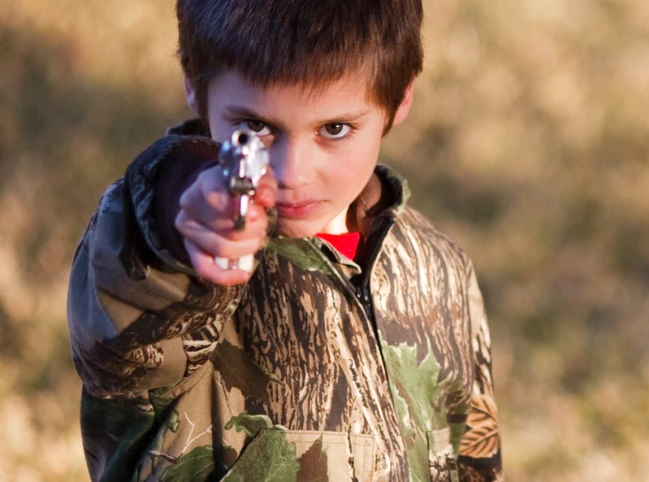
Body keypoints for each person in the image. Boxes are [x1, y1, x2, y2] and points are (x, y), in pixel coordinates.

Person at [66, 0, 502, 480]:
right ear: (193, 84)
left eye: (335, 129)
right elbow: (128, 311)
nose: (291, 174)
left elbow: (473, 454)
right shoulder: (176, 250)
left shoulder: (441, 269)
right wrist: (191, 208)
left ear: (399, 100)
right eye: (254, 128)